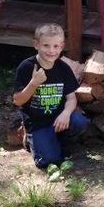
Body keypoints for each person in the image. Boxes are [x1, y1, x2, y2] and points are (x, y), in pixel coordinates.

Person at [13, 23, 89, 170]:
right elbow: (17, 101)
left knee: (80, 122)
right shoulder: (27, 67)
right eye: (46, 46)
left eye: (55, 46)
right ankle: (30, 137)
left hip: (58, 119)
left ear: (61, 47)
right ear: (36, 45)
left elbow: (71, 98)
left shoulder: (63, 68)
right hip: (37, 122)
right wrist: (34, 83)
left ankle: (57, 140)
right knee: (48, 162)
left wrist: (66, 113)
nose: (51, 51)